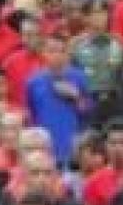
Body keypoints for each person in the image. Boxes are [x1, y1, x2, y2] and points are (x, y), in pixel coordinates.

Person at [27, 31, 91, 167]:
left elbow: (87, 114)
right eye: (52, 51)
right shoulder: (33, 82)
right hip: (46, 152)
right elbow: (32, 118)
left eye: (61, 51)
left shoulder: (79, 78)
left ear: (67, 54)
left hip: (73, 152)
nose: (56, 56)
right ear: (43, 52)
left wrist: (76, 96)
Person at [71, 0, 123, 126]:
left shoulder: (119, 42)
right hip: (89, 102)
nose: (100, 17)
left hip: (114, 101)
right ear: (86, 18)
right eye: (95, 13)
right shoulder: (76, 44)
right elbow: (71, 75)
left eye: (103, 13)